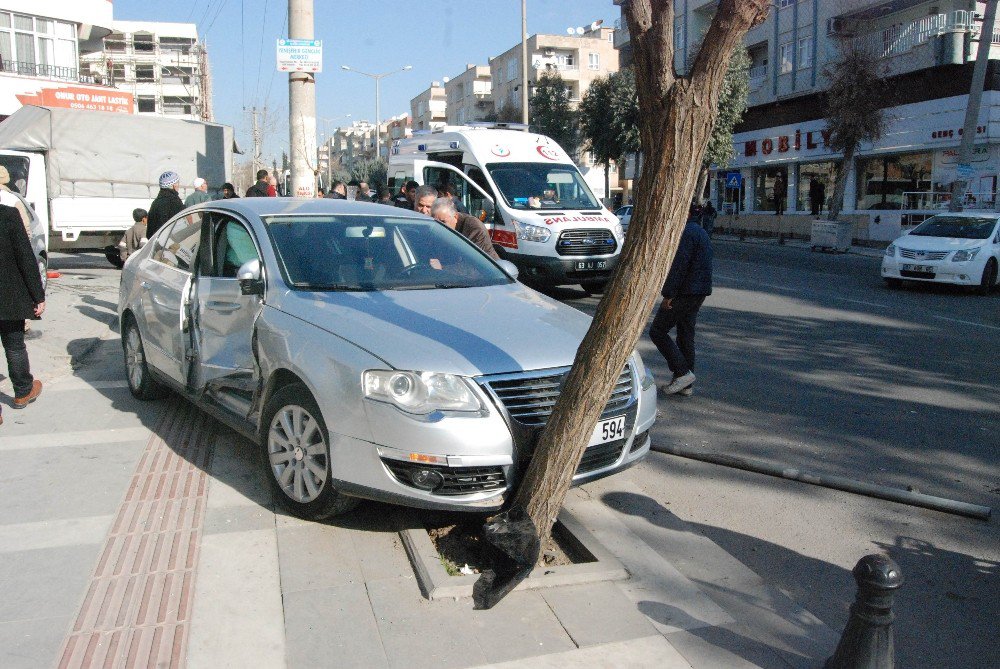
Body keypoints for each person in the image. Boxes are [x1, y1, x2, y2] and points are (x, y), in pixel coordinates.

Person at [649, 216, 713, 397]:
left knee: (658, 331)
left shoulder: (685, 233)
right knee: (686, 335)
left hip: (685, 291)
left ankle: (683, 373)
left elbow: (679, 267)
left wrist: (669, 294)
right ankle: (685, 384)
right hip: (699, 291)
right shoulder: (700, 231)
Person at [0, 202, 45, 426]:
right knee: (14, 345)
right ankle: (22, 392)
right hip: (8, 296)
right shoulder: (8, 214)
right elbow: (25, 256)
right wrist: (38, 295)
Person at [430, 197, 499, 259]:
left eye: (443, 222)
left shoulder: (474, 227)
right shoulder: (434, 228)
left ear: (455, 216)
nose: (439, 226)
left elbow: (469, 260)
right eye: (436, 222)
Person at [146, 171, 185, 239]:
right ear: (174, 185)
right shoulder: (175, 201)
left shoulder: (155, 203)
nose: (178, 185)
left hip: (156, 244)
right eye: (177, 182)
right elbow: (181, 226)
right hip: (170, 245)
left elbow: (149, 232)